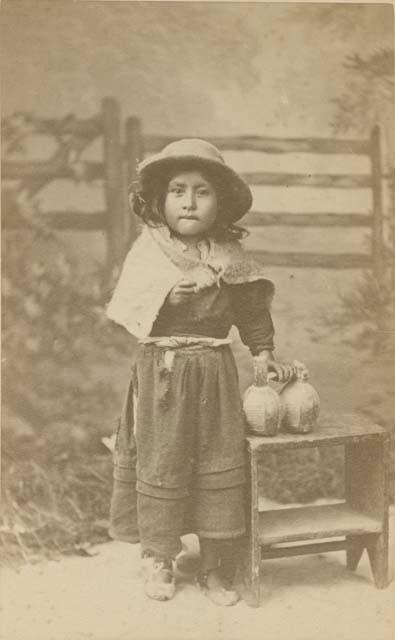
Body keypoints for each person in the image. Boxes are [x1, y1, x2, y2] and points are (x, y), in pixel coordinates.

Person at [106, 139, 296, 606]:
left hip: (214, 373)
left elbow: (251, 308)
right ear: (159, 200)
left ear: (222, 202)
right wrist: (165, 299)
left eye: (202, 191)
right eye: (177, 190)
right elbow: (130, 307)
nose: (189, 202)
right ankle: (159, 557)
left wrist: (263, 352)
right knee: (162, 458)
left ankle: (215, 565)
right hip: (162, 376)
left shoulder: (230, 254)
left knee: (217, 458)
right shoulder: (149, 250)